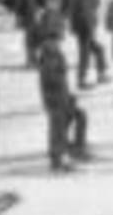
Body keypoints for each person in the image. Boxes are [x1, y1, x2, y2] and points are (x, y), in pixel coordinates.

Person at [37, 37, 89, 171]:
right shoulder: (48, 58)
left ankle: (76, 149)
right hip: (55, 100)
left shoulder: (57, 55)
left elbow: (61, 80)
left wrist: (69, 96)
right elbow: (52, 80)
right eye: (54, 42)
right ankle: (57, 160)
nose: (58, 44)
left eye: (58, 42)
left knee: (80, 116)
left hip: (63, 98)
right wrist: (61, 72)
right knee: (57, 129)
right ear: (48, 43)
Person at [68, 0, 107, 89]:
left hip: (85, 28)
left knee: (98, 50)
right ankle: (81, 80)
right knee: (84, 55)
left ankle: (100, 74)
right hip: (84, 28)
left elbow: (92, 9)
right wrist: (89, 28)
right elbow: (86, 12)